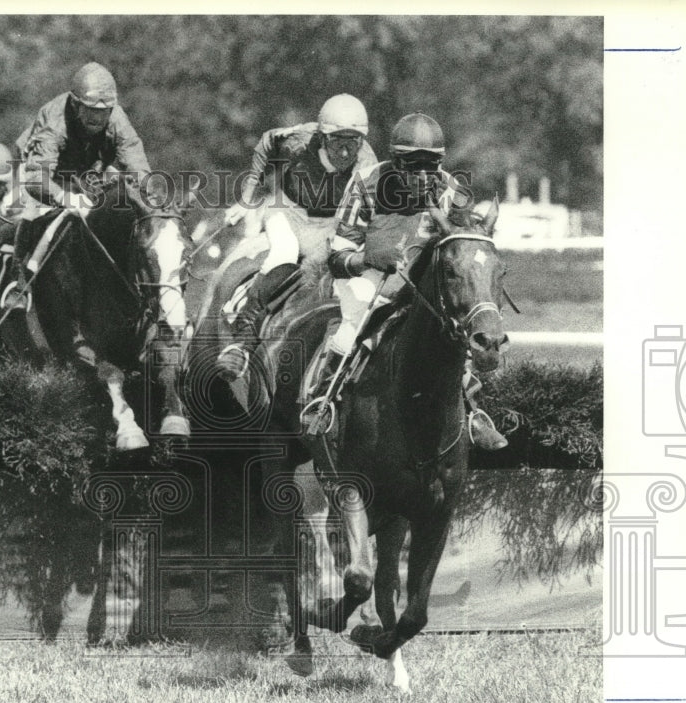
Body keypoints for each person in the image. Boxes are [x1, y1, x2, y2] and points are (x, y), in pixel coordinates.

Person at [316, 111, 507, 450]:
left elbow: (463, 249)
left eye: (429, 165)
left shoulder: (453, 192)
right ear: (395, 160)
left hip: (423, 285)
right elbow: (337, 259)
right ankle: (324, 401)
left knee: (455, 334)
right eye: (411, 164)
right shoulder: (365, 182)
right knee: (352, 327)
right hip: (369, 279)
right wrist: (367, 259)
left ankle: (474, 413)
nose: (421, 175)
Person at [216, 94, 378, 381]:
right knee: (283, 256)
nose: (344, 151)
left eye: (352, 142)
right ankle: (242, 341)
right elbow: (266, 144)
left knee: (317, 267)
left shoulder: (367, 162)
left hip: (330, 223)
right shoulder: (300, 141)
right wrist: (245, 199)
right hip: (288, 211)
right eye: (337, 141)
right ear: (322, 137)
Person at [10, 62, 152, 278]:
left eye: (104, 112)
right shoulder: (54, 121)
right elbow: (36, 177)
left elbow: (136, 163)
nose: (98, 118)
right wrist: (63, 196)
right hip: (39, 170)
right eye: (92, 110)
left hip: (86, 169)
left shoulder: (117, 118)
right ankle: (17, 275)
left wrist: (149, 200)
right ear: (76, 105)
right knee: (32, 210)